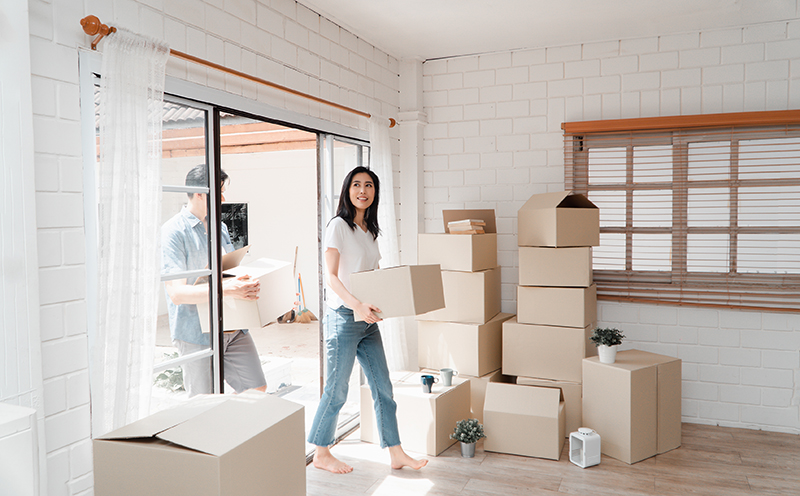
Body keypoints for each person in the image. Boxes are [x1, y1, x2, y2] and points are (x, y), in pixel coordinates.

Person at [308, 166, 427, 474]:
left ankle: (395, 452)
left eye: (369, 185)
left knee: (383, 387)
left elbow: (373, 275)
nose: (363, 190)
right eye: (357, 185)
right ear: (347, 190)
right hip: (344, 317)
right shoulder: (338, 226)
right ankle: (321, 452)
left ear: (375, 192)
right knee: (337, 389)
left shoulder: (370, 230)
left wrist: (381, 304)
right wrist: (357, 306)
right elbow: (331, 277)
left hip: (367, 320)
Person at [161, 164, 267, 396]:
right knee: (204, 401)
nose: (223, 198)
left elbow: (227, 271)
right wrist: (228, 289)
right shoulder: (173, 232)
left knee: (256, 388)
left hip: (231, 324)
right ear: (200, 193)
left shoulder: (221, 227)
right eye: (219, 192)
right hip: (195, 333)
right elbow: (177, 294)